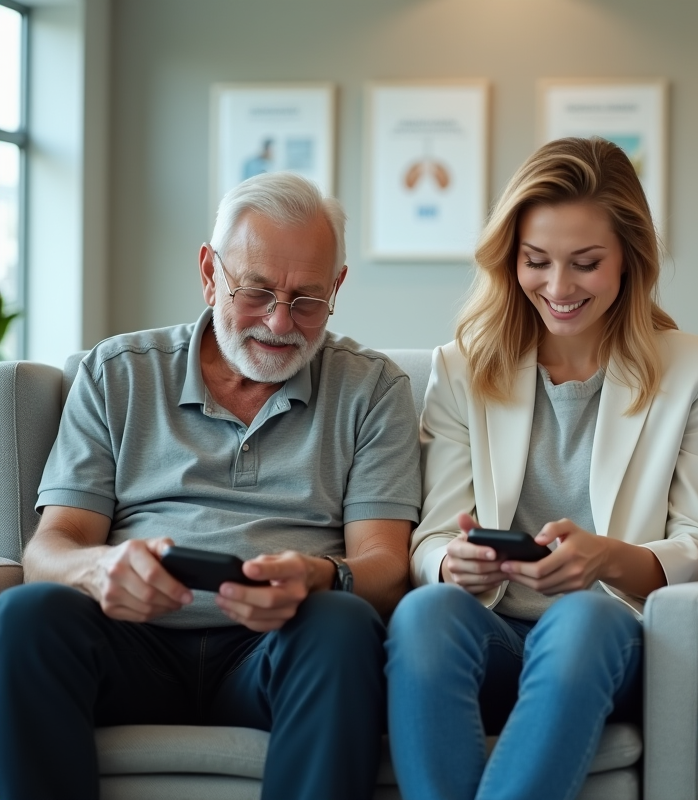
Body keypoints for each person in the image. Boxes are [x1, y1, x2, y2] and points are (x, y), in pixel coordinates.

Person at [0, 172, 421, 800]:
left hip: (279, 648)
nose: (280, 323)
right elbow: (51, 546)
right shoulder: (117, 373)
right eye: (255, 291)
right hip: (127, 641)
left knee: (341, 624)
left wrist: (319, 576)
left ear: (337, 287)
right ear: (209, 271)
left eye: (307, 299)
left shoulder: (372, 388)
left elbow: (385, 564)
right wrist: (99, 569)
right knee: (27, 614)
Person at [387, 136, 698, 800]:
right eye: (536, 261)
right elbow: (432, 539)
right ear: (509, 259)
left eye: (585, 263)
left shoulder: (696, 369)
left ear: (629, 261)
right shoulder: (462, 368)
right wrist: (449, 563)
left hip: (608, 637)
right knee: (425, 613)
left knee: (584, 619)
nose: (558, 287)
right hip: (492, 627)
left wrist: (604, 558)